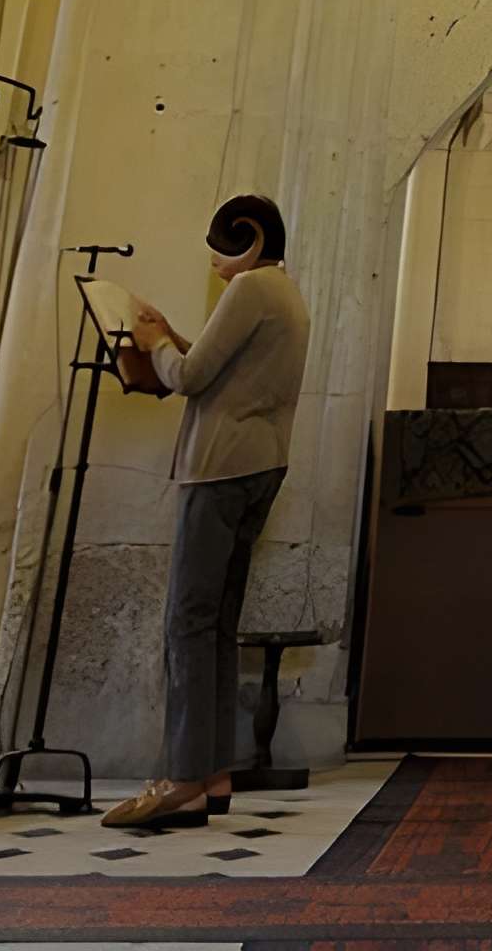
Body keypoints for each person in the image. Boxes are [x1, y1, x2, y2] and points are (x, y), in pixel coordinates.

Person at [102, 193, 310, 829]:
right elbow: (219, 368)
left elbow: (190, 378)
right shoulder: (285, 293)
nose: (215, 262)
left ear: (248, 239)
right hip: (260, 465)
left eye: (222, 247)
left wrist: (154, 343)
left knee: (188, 623)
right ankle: (215, 773)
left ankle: (186, 781)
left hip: (218, 468)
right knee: (217, 624)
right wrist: (170, 338)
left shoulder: (249, 288)